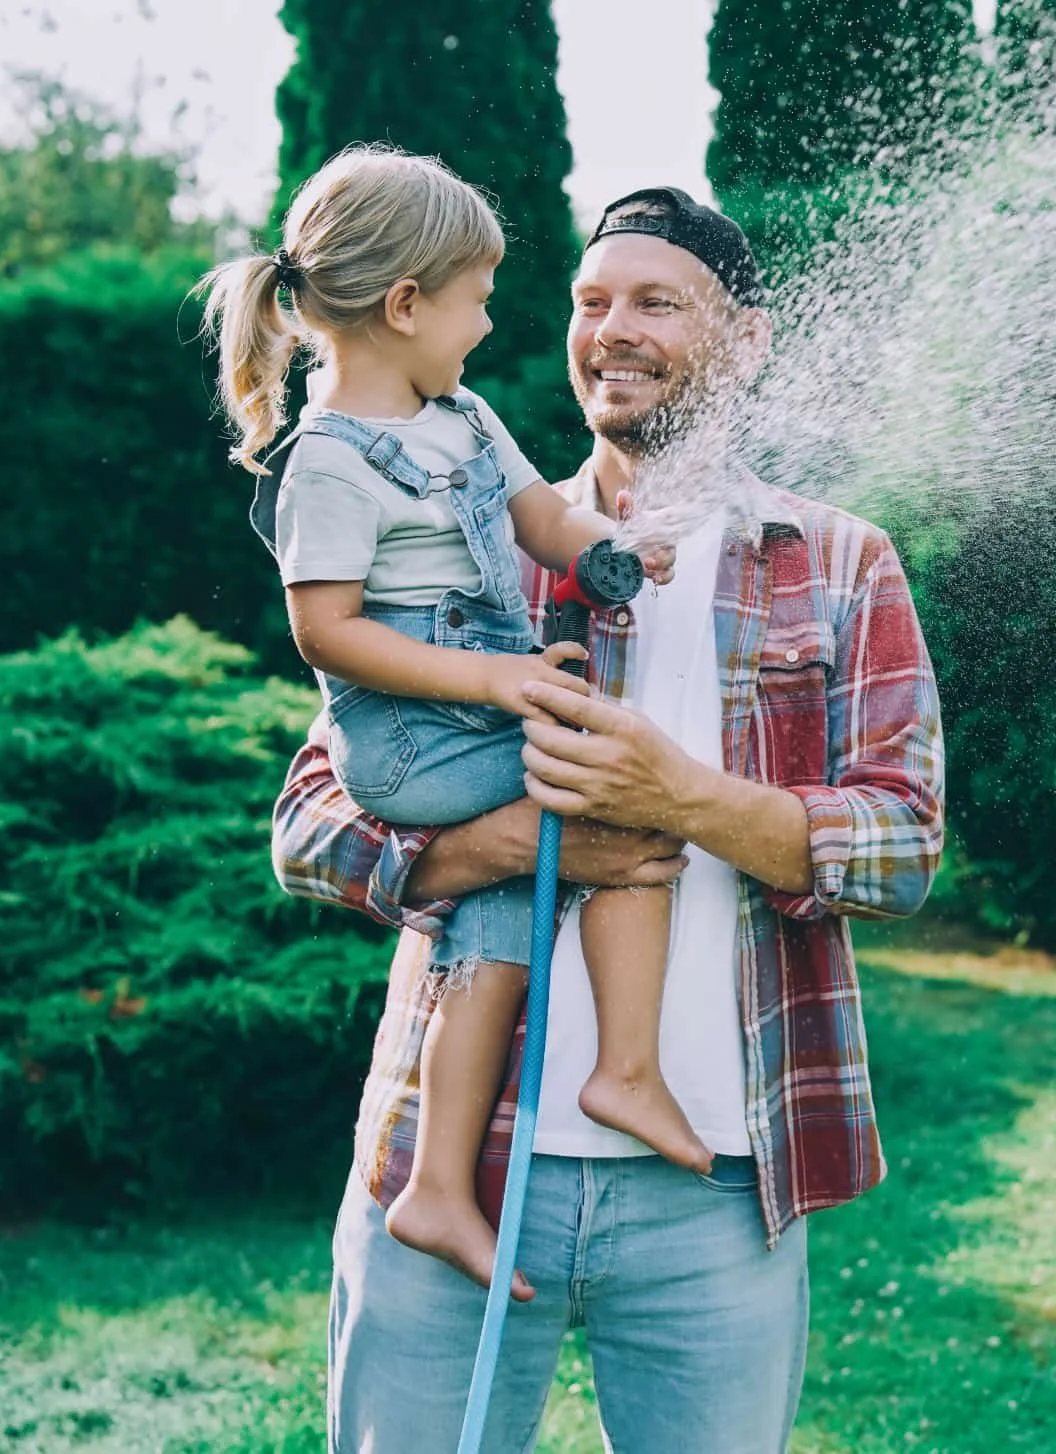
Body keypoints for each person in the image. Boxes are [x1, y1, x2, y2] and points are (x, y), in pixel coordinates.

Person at [274, 185, 945, 1453]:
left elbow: (904, 843)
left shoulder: (843, 562)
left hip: (718, 1186)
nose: (610, 329)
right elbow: (311, 819)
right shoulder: (469, 528)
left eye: (654, 302)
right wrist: (526, 848)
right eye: (590, 302)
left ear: (745, 340)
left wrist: (679, 802)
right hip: (452, 1164)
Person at [199, 146, 709, 1306]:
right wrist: (498, 685)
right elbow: (327, 632)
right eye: (477, 299)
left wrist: (615, 553)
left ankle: (436, 1185)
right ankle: (626, 1071)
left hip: (471, 707)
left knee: (493, 926)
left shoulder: (465, 418)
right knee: (620, 798)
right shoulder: (329, 460)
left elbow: (542, 525)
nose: (487, 326)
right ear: (405, 303)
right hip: (409, 743)